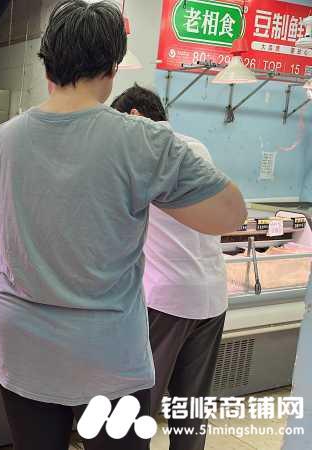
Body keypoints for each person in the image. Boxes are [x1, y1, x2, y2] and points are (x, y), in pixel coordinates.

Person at [0, 1, 247, 449]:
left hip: (22, 349)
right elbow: (230, 214)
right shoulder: (144, 141)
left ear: (46, 66)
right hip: (108, 356)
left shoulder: (0, 140)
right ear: (111, 69)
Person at [112, 84, 228, 450]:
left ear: (134, 117)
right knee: (190, 407)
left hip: (166, 300)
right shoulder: (196, 147)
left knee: (139, 403)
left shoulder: (143, 154)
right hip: (212, 296)